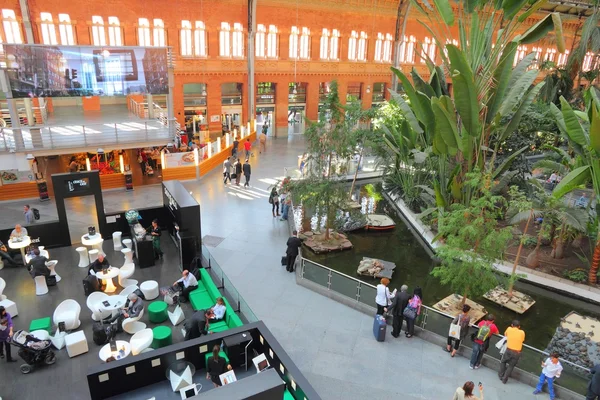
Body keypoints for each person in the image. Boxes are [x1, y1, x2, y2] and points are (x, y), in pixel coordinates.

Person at [499, 320, 526, 384]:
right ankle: (504, 380)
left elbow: (505, 334)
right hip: (517, 352)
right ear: (519, 326)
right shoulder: (522, 332)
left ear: (512, 325)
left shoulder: (509, 329)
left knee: (503, 361)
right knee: (511, 366)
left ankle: (501, 375)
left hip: (509, 350)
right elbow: (523, 340)